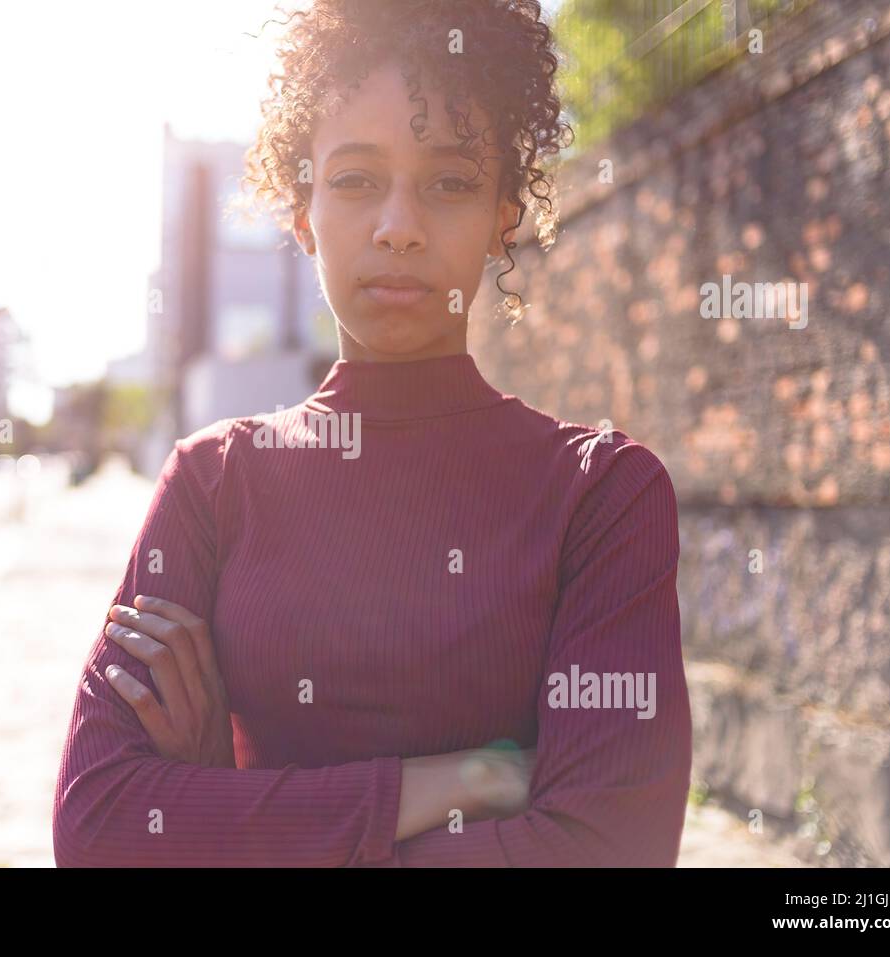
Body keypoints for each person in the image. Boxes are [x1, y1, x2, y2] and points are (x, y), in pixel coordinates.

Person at [52, 0, 692, 867]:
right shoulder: (211, 483)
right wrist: (467, 779)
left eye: (451, 181)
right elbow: (98, 827)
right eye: (355, 179)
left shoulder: (602, 494)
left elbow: (605, 847)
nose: (399, 225)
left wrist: (224, 812)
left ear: (507, 214)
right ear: (302, 211)